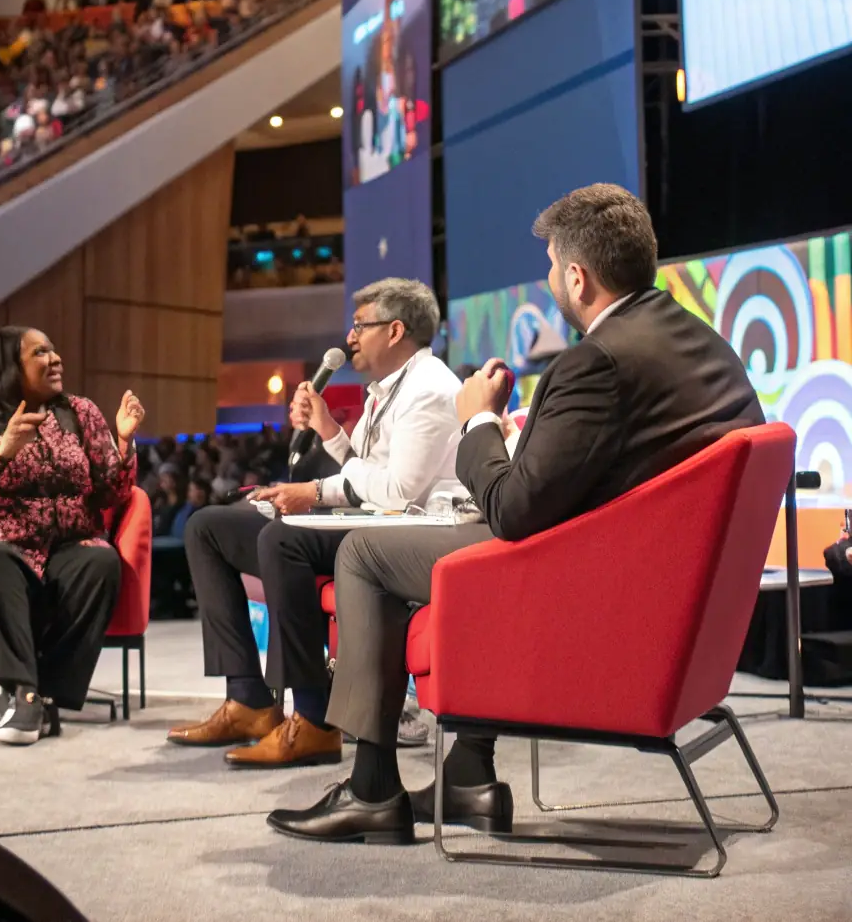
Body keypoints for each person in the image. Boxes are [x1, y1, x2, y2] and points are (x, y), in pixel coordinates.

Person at [268, 184, 765, 844]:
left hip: (602, 604)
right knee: (442, 542)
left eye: (552, 264)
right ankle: (468, 772)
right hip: (666, 601)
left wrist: (478, 416)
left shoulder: (598, 362)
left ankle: (371, 788)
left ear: (579, 277)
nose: (548, 276)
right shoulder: (707, 347)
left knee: (364, 552)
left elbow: (511, 508)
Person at [166, 278, 461, 768]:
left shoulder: (430, 388)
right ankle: (249, 701)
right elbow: (364, 471)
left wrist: (314, 494)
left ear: (394, 331)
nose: (349, 336)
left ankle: (314, 720)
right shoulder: (384, 391)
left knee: (285, 541)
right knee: (208, 528)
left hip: (405, 534)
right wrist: (327, 429)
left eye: (360, 326)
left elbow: (397, 491)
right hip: (373, 522)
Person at [0, 325, 145, 746]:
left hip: (68, 540)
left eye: (54, 350)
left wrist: (122, 440)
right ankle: (25, 693)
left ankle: (36, 696)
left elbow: (112, 492)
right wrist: (2, 449)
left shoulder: (79, 411)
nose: (55, 359)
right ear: (9, 367)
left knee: (101, 561)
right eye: (40, 353)